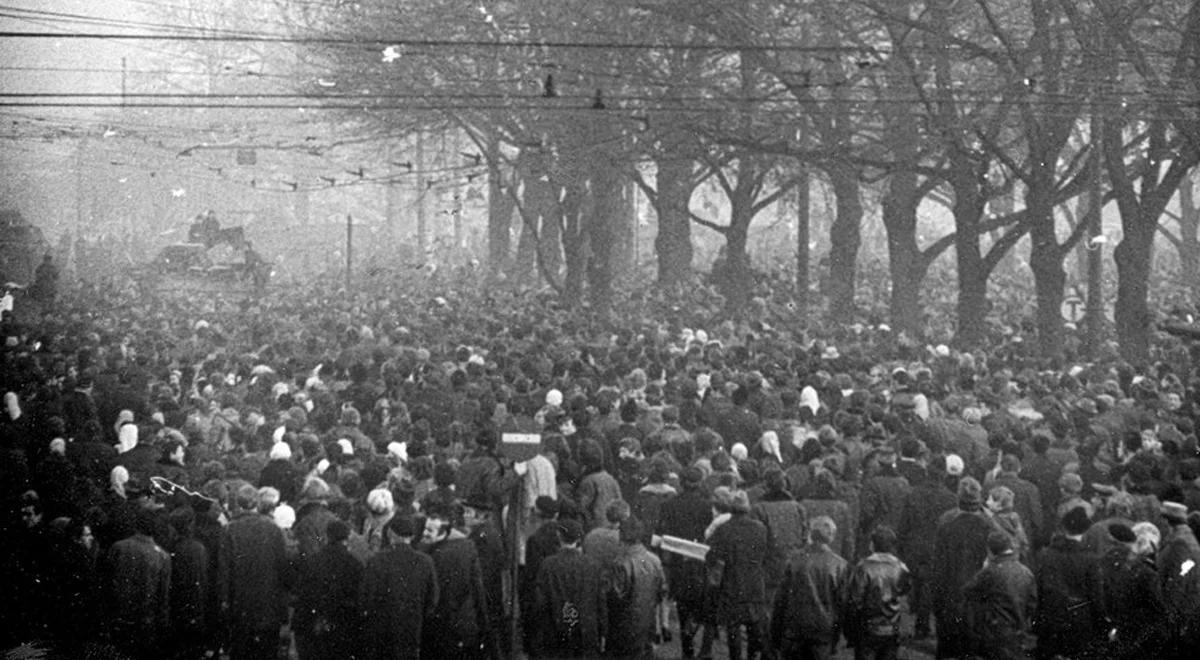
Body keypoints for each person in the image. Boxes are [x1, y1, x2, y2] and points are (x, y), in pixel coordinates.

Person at [218, 483, 289, 660]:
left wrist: (225, 601)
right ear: (257, 503)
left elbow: (224, 570)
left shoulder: (229, 529)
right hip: (268, 604)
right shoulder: (274, 529)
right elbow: (283, 567)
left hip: (240, 605)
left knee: (241, 651)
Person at [932, 477, 995, 659]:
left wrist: (937, 602)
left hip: (951, 597)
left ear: (959, 499)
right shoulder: (989, 525)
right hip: (978, 601)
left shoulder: (946, 523)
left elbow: (939, 567)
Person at [360, 515, 439, 660]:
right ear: (413, 536)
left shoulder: (377, 560)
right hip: (411, 629)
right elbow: (432, 599)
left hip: (381, 631)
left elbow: (366, 598)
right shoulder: (426, 562)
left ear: (390, 534)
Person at [1033, 506, 1106, 660]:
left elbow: (1039, 591)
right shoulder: (1090, 559)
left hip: (1051, 621)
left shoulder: (1047, 555)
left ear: (1064, 528)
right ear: (1086, 531)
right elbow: (1096, 596)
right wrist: (1102, 625)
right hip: (1081, 623)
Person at [656, 466, 715, 659]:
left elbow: (663, 533)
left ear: (681, 482)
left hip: (677, 561)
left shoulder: (669, 505)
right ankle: (693, 635)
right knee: (698, 600)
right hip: (699, 560)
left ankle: (687, 648)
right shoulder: (707, 506)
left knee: (682, 602)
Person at [771, 515, 848, 660]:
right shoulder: (839, 565)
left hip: (794, 630)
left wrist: (775, 634)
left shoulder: (794, 560)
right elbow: (842, 604)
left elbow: (780, 600)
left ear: (812, 533)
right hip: (823, 630)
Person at [421, 504, 492, 659]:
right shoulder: (466, 548)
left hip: (445, 627)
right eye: (425, 529)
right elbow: (477, 589)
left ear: (443, 533)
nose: (424, 534)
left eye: (429, 531)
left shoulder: (433, 557)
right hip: (465, 625)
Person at [706, 488, 769, 660]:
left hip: (732, 583)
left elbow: (712, 556)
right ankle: (753, 655)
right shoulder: (760, 529)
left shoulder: (724, 529)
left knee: (733, 629)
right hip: (755, 583)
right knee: (754, 626)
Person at [533, 518, 607, 658]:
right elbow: (600, 602)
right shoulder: (593, 565)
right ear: (579, 539)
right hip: (586, 631)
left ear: (559, 536)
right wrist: (603, 631)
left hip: (556, 630)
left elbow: (540, 604)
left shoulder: (548, 565)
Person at [105, 507, 172, 659]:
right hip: (146, 623)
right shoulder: (163, 556)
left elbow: (107, 585)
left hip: (119, 619)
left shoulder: (118, 548)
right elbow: (163, 597)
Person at [294, 519, 364, 660]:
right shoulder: (355, 564)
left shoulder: (313, 561)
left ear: (327, 535)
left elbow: (304, 594)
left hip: (315, 624)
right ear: (348, 537)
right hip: (344, 625)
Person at [962, 531, 1037, 660]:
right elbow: (1032, 603)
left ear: (990, 550)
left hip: (994, 632)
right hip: (1019, 630)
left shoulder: (990, 571)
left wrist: (984, 568)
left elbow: (968, 591)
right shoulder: (1026, 572)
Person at [1100, 522, 1168, 659]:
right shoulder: (1147, 572)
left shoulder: (1113, 563)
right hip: (1141, 638)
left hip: (1119, 633)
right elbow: (1159, 607)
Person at [843, 526, 910, 660]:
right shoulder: (901, 567)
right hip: (892, 628)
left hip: (867, 629)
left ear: (872, 545)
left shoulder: (863, 567)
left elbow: (854, 601)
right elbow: (904, 596)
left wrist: (850, 631)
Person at [607, 517, 666, 659]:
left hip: (624, 628)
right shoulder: (654, 560)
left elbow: (614, 597)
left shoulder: (621, 563)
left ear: (621, 536)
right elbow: (661, 591)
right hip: (647, 625)